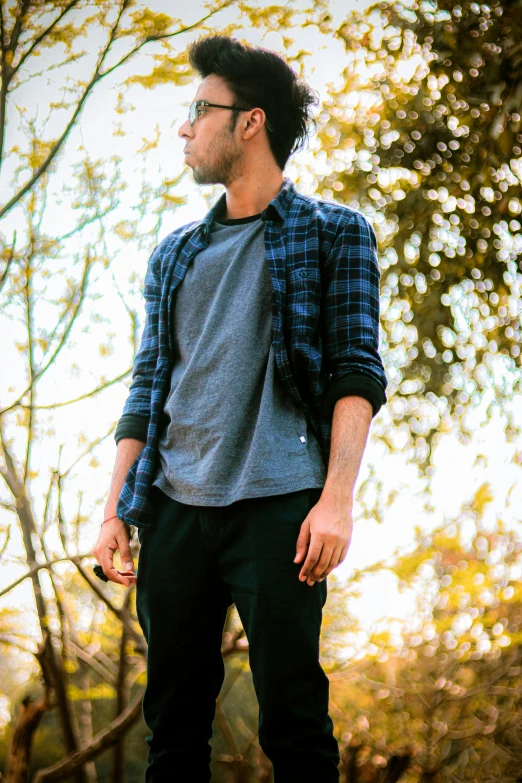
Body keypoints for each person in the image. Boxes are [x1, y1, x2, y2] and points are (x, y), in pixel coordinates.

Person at [93, 34, 388, 783]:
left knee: (295, 728)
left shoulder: (335, 233)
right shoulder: (175, 253)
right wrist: (113, 507)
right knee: (173, 735)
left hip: (280, 508)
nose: (185, 128)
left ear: (250, 121)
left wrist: (336, 501)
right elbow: (147, 384)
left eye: (199, 109)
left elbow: (356, 373)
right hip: (174, 508)